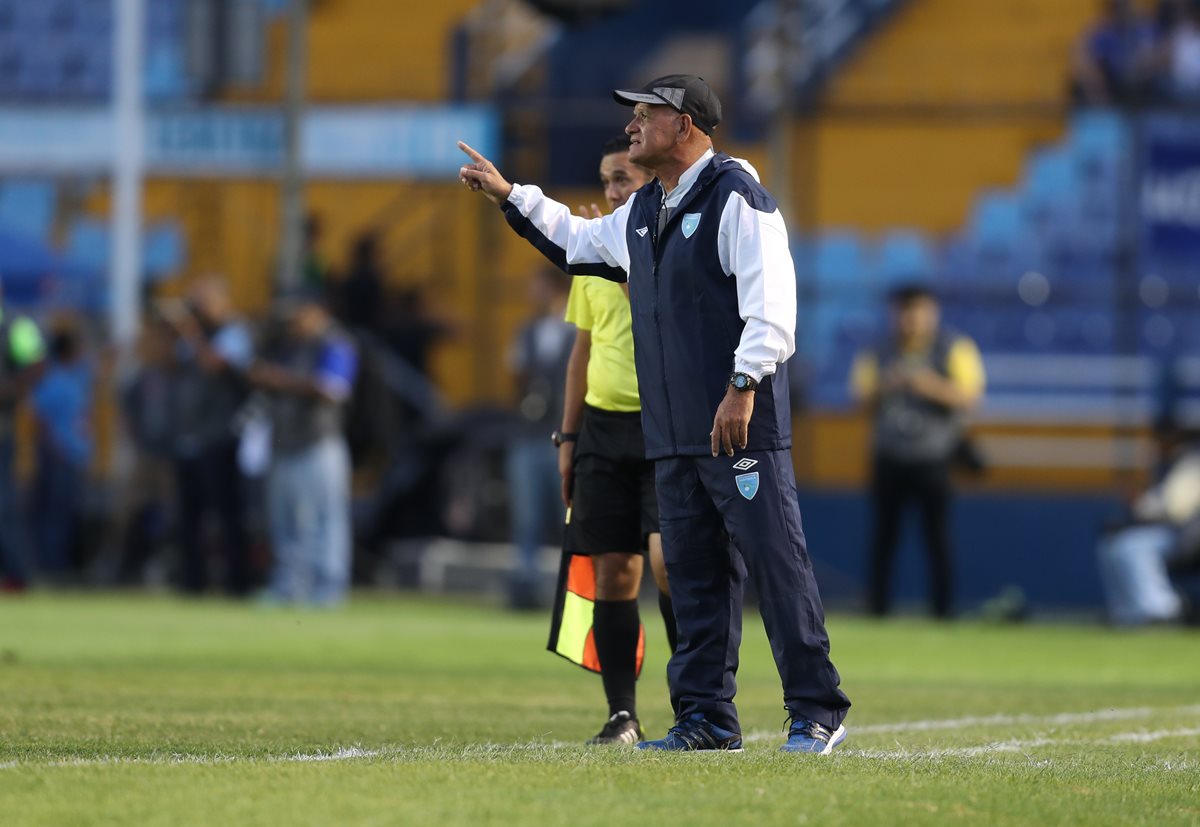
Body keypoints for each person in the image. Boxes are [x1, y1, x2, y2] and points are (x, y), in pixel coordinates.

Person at [459, 74, 851, 753]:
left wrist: (742, 382)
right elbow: (575, 240)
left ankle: (817, 709)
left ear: (688, 125)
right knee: (695, 579)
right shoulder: (644, 213)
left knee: (774, 560)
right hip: (671, 435)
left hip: (739, 426)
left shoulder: (736, 195)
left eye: (647, 114)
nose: (634, 125)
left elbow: (773, 306)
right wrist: (508, 194)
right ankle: (705, 718)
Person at [556, 135, 675, 745]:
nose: (609, 192)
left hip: (663, 426)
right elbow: (582, 352)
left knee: (667, 565)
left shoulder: (665, 252)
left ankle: (696, 703)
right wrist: (568, 438)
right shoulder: (589, 259)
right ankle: (622, 713)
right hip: (603, 428)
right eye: (606, 180)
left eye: (622, 180)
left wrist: (620, 256)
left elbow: (656, 313)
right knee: (612, 575)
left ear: (649, 185)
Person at [850, 284, 986, 620]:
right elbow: (859, 399)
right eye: (904, 311)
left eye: (919, 311)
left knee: (937, 538)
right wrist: (888, 385)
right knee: (883, 538)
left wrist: (929, 386)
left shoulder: (954, 347)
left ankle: (943, 611)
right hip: (889, 456)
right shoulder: (878, 351)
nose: (911, 320)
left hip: (934, 457)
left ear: (932, 313)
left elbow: (970, 396)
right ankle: (877, 609)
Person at [250, 298, 358, 606]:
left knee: (324, 518)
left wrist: (280, 380)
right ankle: (289, 586)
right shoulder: (288, 345)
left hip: (319, 443)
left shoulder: (335, 343)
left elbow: (333, 388)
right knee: (285, 521)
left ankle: (327, 588)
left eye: (299, 317)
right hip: (285, 442)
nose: (294, 325)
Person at [162, 278, 255, 596]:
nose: (196, 311)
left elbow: (216, 364)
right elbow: (171, 367)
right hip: (189, 436)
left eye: (200, 303)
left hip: (221, 435)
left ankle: (236, 583)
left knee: (226, 513)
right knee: (188, 515)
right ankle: (192, 582)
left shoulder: (233, 331)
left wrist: (190, 331)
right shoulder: (193, 336)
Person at [507, 266, 574, 609]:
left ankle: (570, 587)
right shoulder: (527, 330)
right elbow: (515, 375)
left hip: (561, 434)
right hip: (529, 432)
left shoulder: (576, 328)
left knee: (566, 515)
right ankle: (525, 585)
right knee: (526, 517)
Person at [1098, 446, 1200, 626]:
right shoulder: (1170, 465)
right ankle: (1128, 613)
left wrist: (1142, 506)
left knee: (1133, 546)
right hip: (1174, 532)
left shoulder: (1193, 463)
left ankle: (1163, 609)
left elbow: (1176, 509)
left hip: (1186, 536)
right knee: (1113, 546)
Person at [30, 322, 92, 579]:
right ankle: (51, 567)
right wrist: (53, 448)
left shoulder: (74, 376)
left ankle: (59, 564)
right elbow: (39, 418)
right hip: (58, 456)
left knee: (64, 514)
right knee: (54, 515)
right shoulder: (53, 380)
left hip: (73, 454)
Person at [0, 297, 43, 591]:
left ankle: (16, 573)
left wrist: (13, 388)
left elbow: (36, 364)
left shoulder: (17, 326)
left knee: (5, 504)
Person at [1071, 0, 1159, 105]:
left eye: (1125, 7)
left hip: (1141, 82)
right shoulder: (1102, 31)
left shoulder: (1144, 29)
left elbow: (1156, 55)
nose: (1122, 12)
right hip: (1112, 83)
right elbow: (1084, 54)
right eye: (1118, 7)